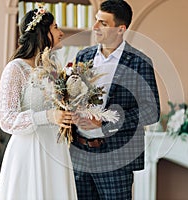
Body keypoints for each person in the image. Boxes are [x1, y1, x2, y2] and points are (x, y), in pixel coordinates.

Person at [70, 0, 160, 199]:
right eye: (96, 21)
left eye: (103, 23)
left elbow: (151, 111)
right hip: (78, 154)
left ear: (121, 29)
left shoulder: (139, 61)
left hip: (116, 158)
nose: (95, 27)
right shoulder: (82, 56)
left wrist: (106, 119)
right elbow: (73, 96)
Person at [0, 5, 77, 200]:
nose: (61, 33)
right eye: (56, 27)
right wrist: (49, 116)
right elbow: (6, 119)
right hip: (29, 152)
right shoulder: (15, 69)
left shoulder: (52, 68)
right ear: (42, 32)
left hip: (56, 150)